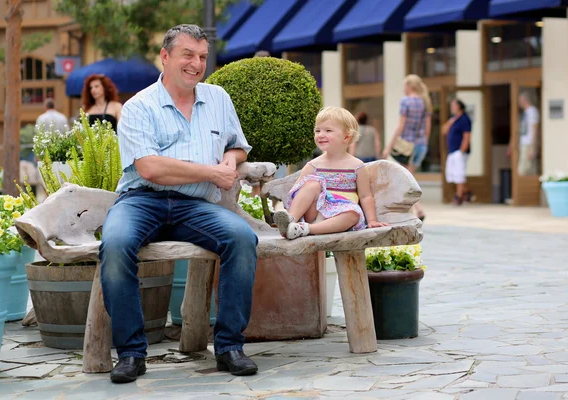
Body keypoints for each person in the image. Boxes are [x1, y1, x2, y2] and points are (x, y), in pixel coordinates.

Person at [100, 24, 258, 383]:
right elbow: (150, 168)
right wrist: (211, 172)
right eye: (188, 55)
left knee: (242, 239)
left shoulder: (218, 98)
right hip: (141, 200)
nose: (197, 63)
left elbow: (237, 144)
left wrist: (230, 162)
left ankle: (230, 346)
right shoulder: (139, 106)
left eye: (202, 57)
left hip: (195, 207)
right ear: (166, 56)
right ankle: (130, 353)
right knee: (115, 244)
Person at [273, 106, 388, 240]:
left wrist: (372, 220)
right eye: (317, 130)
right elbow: (297, 194)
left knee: (353, 214)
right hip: (315, 213)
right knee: (312, 185)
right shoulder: (313, 166)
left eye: (328, 130)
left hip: (340, 216)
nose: (321, 134)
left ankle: (304, 229)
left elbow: (365, 196)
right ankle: (290, 221)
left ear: (346, 136)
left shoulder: (357, 166)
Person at [382, 74, 432, 221]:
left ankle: (417, 209)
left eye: (405, 85)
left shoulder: (405, 101)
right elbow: (428, 127)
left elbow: (401, 125)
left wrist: (389, 146)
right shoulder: (425, 101)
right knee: (409, 177)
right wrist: (423, 142)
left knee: (406, 179)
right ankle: (415, 209)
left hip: (406, 145)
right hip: (421, 144)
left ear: (409, 86)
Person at [442, 99, 473, 205]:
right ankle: (466, 192)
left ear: (459, 106)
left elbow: (467, 136)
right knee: (453, 174)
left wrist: (462, 151)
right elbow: (444, 131)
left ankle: (459, 197)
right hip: (452, 151)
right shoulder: (453, 119)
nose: (451, 107)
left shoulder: (465, 119)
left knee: (459, 173)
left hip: (459, 152)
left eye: (453, 105)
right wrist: (450, 122)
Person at [509, 92, 540, 176]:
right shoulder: (524, 113)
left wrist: (532, 147)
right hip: (524, 144)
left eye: (520, 100)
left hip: (529, 144)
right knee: (529, 169)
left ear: (524, 100)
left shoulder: (532, 111)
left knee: (522, 170)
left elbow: (535, 129)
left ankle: (521, 188)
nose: (519, 103)